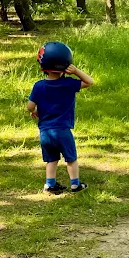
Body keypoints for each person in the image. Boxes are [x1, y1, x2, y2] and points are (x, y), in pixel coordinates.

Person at [27, 41, 94, 194]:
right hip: (63, 130)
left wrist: (34, 111)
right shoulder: (68, 84)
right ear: (66, 65)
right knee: (71, 158)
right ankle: (75, 185)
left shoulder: (38, 86)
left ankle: (50, 185)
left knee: (51, 159)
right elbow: (89, 82)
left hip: (45, 132)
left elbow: (30, 106)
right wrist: (75, 71)